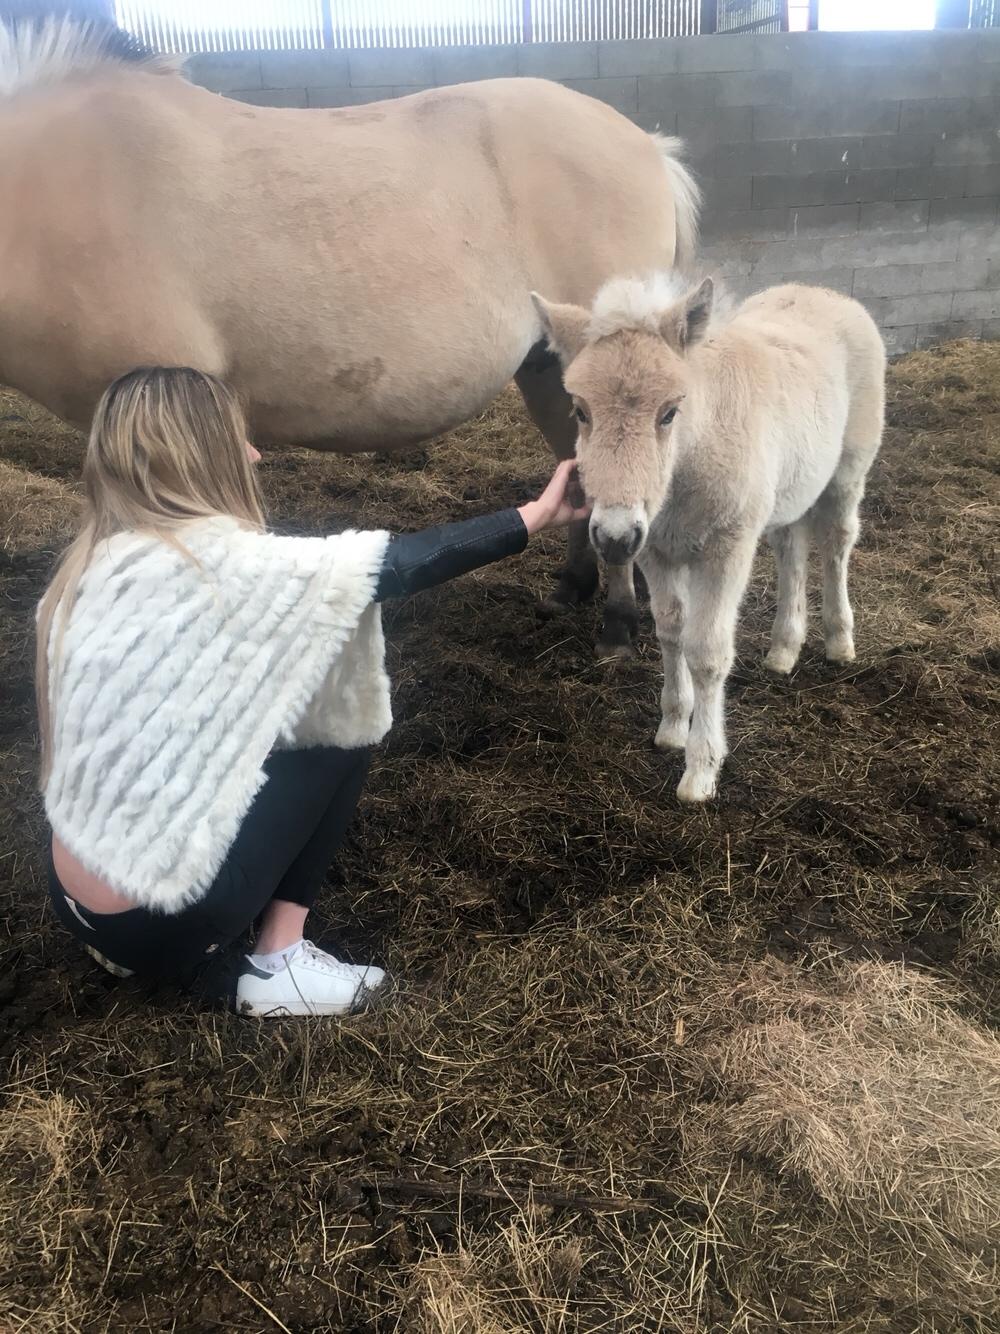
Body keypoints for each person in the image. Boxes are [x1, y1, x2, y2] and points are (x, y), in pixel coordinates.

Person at [37, 366, 588, 1018]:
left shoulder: (89, 568)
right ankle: (275, 963)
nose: (256, 454)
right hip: (159, 912)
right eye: (239, 438)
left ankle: (167, 954)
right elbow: (393, 565)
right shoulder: (225, 565)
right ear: (201, 453)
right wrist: (536, 515)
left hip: (74, 900)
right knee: (341, 724)